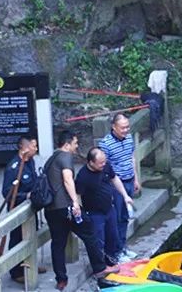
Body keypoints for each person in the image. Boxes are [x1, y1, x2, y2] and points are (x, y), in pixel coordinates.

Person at [45, 130, 119, 290]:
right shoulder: (65, 157)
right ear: (67, 144)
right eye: (75, 143)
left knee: (58, 243)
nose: (76, 146)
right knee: (89, 233)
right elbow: (67, 180)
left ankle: (61, 279)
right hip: (66, 207)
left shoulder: (50, 159)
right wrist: (75, 203)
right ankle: (100, 269)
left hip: (51, 209)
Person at [75, 148, 134, 267]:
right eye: (100, 163)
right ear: (91, 162)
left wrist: (125, 195)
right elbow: (77, 194)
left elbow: (114, 178)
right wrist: (79, 210)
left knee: (113, 236)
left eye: (104, 162)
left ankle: (113, 259)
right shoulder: (83, 176)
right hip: (94, 213)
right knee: (99, 240)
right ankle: (101, 266)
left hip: (109, 209)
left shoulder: (106, 166)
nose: (103, 164)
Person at [99, 113, 141, 261]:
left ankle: (123, 246)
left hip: (129, 180)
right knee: (116, 218)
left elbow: (131, 158)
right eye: (122, 128)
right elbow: (104, 167)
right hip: (115, 185)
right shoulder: (106, 144)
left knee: (124, 217)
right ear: (114, 127)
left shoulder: (129, 138)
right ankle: (115, 250)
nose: (125, 130)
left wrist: (136, 178)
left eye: (127, 127)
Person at [1, 136, 38, 282]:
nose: (36, 149)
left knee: (31, 236)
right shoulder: (14, 167)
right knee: (17, 239)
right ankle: (16, 272)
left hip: (30, 208)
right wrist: (26, 195)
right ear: (24, 148)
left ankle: (30, 264)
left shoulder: (31, 162)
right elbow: (7, 193)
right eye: (33, 146)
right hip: (17, 209)